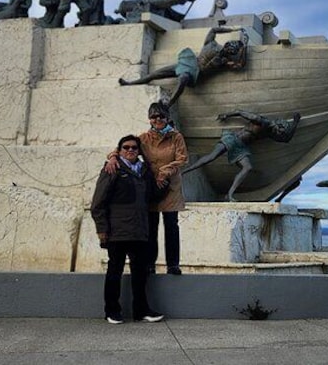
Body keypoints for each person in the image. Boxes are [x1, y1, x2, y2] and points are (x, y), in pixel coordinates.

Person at [106, 102, 189, 275]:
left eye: (161, 116)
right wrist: (113, 158)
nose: (157, 119)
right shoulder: (143, 138)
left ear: (167, 118)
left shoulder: (176, 137)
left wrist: (165, 172)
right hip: (150, 186)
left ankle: (173, 264)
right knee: (151, 226)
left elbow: (182, 158)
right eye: (153, 116)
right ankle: (150, 263)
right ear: (149, 119)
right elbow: (122, 148)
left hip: (170, 186)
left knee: (171, 225)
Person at [90, 134, 165, 324]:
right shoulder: (112, 168)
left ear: (139, 150)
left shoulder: (144, 171)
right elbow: (98, 203)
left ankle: (142, 311)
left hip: (139, 231)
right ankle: (112, 311)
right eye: (126, 147)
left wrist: (166, 177)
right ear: (119, 150)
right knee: (114, 271)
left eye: (134, 147)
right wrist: (102, 229)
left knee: (140, 273)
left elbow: (153, 196)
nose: (130, 150)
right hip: (117, 231)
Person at [183, 111, 302, 201]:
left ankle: (229, 195)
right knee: (212, 157)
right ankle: (185, 171)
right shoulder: (261, 121)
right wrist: (227, 115)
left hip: (241, 148)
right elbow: (240, 112)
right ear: (277, 125)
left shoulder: (270, 132)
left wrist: (296, 121)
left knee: (247, 167)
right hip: (233, 139)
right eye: (279, 131)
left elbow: (286, 139)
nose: (278, 134)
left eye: (280, 133)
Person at [119, 26, 248, 106]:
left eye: (231, 52)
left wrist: (244, 48)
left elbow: (240, 65)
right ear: (226, 45)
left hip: (196, 74)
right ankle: (131, 83)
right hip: (188, 64)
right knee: (157, 73)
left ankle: (168, 104)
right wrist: (233, 29)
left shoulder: (225, 61)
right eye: (228, 49)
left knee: (183, 79)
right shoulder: (211, 44)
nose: (228, 52)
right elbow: (214, 29)